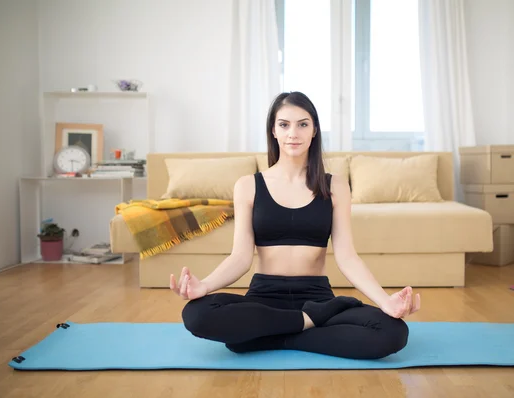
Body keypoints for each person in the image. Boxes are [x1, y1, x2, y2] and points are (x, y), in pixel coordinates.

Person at [169, 91, 420, 360]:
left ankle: (262, 337)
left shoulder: (334, 186)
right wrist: (203, 287)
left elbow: (347, 257)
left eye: (303, 124)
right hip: (264, 299)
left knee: (393, 332)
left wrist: (385, 301)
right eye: (284, 124)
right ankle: (304, 323)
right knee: (196, 314)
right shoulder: (248, 186)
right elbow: (240, 258)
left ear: (314, 131)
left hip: (319, 300)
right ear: (273, 131)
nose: (293, 133)